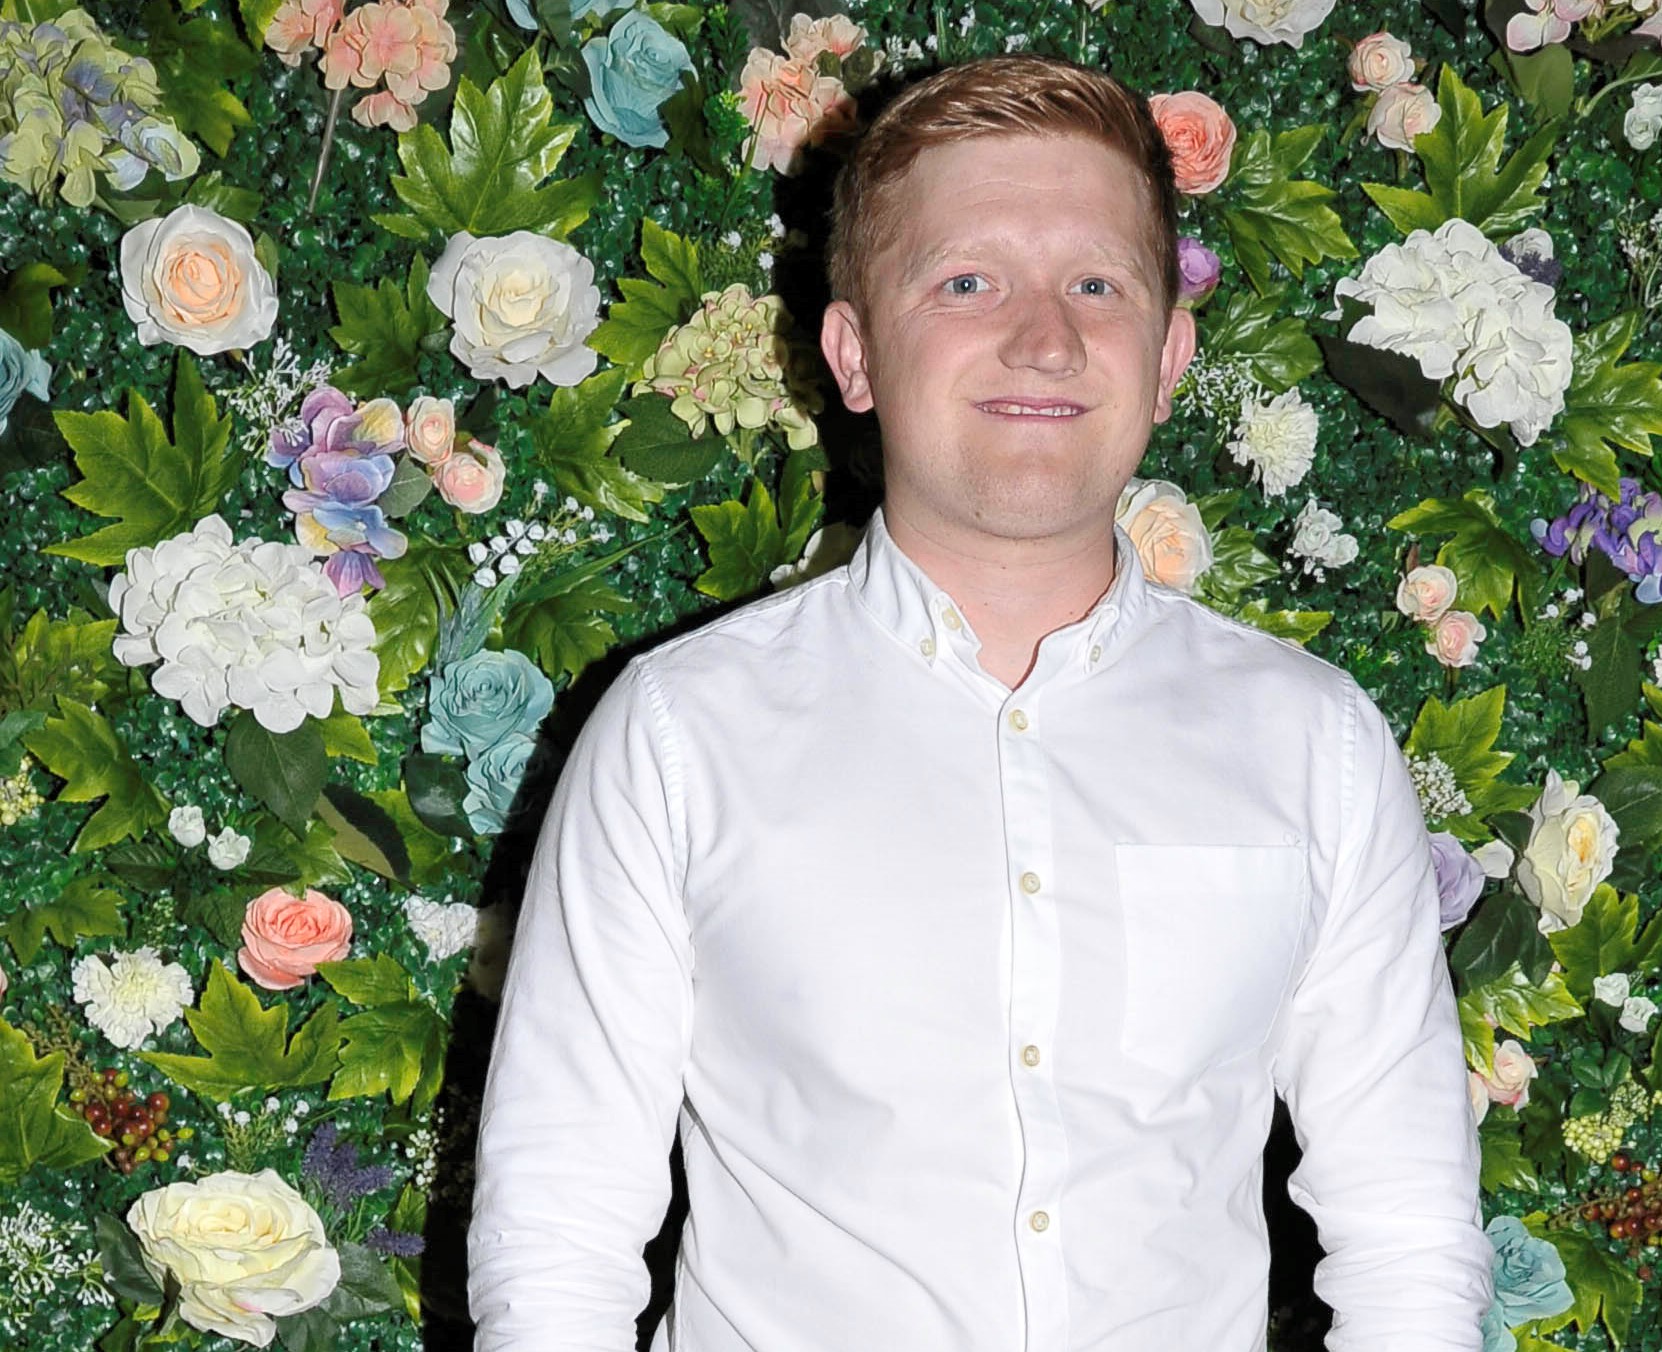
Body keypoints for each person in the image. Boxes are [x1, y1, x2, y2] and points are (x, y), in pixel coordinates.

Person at [466, 52, 1494, 1352]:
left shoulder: (1314, 745)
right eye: (967, 281)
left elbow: (1406, 1239)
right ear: (854, 352)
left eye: (1097, 283)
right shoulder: (678, 738)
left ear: (1168, 354)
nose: (1046, 336)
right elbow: (557, 1238)